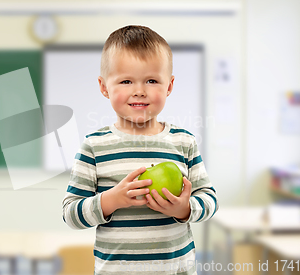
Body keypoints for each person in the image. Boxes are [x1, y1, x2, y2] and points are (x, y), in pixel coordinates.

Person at [62, 25, 219, 275]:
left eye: (152, 80)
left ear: (169, 86)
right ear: (104, 87)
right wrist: (110, 200)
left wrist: (185, 209)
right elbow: (71, 214)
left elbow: (210, 200)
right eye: (126, 81)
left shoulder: (183, 142)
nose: (139, 90)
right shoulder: (94, 146)